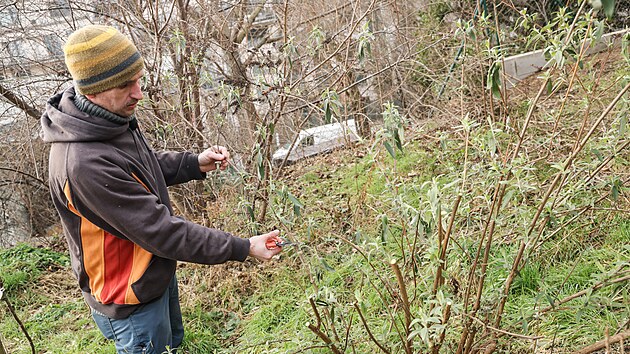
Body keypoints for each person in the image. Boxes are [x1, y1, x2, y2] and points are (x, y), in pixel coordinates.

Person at [40, 24, 283, 353]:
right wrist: (243, 247)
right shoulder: (82, 163)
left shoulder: (105, 118)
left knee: (173, 344)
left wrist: (193, 163)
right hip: (129, 296)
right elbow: (162, 232)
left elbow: (138, 166)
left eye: (138, 80)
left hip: (152, 271)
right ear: (93, 90)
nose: (138, 93)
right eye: (127, 85)